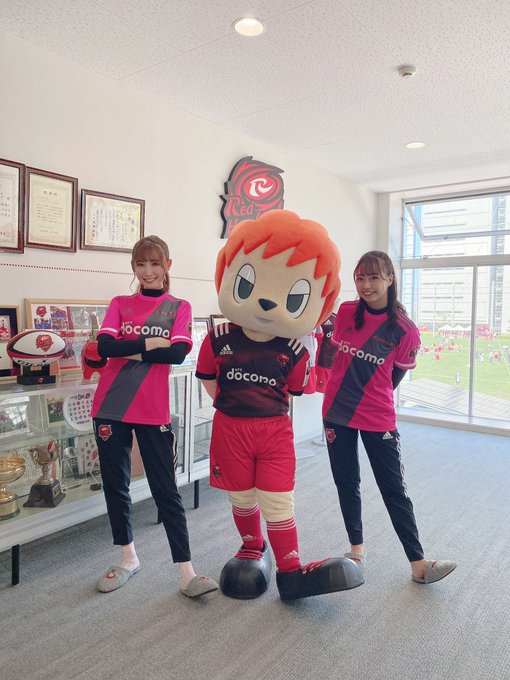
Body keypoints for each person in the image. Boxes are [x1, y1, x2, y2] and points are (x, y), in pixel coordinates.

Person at [196, 209, 363, 601]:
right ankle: (252, 547)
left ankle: (290, 569)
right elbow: (208, 376)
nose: (267, 300)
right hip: (230, 428)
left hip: (273, 430)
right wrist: (227, 402)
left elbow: (295, 390)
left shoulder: (294, 349)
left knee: (276, 498)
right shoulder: (218, 338)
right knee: (240, 494)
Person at [88, 235, 218, 597]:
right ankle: (127, 557)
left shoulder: (179, 307)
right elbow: (105, 347)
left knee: (165, 488)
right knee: (116, 484)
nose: (147, 271)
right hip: (109, 407)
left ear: (167, 266)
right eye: (141, 264)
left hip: (152, 410)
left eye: (155, 264)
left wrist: (129, 349)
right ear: (133, 267)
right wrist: (152, 344)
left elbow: (177, 354)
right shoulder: (120, 303)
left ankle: (187, 572)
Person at [322, 250, 456, 584]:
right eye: (360, 278)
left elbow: (395, 377)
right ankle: (356, 547)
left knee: (393, 488)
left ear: (390, 279)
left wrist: (371, 391)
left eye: (374, 277)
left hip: (377, 417)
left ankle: (418, 563)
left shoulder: (405, 330)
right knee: (346, 481)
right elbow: (336, 357)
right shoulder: (346, 313)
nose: (366, 285)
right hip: (336, 412)